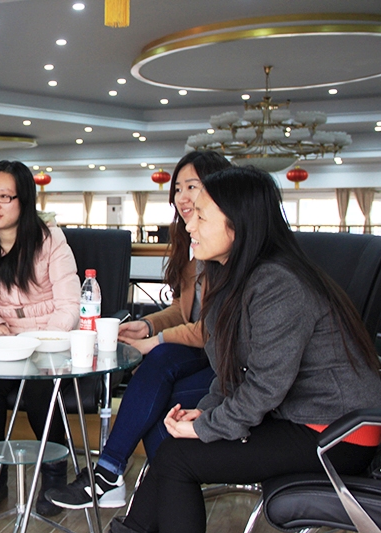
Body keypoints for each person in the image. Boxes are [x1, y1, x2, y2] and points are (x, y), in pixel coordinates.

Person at [110, 166, 381, 533]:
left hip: (337, 433)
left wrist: (207, 425)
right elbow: (230, 373)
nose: (189, 226)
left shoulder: (278, 284)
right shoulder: (229, 278)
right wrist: (205, 412)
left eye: (201, 216)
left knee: (177, 458)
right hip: (299, 418)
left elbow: (264, 386)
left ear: (237, 225)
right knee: (173, 450)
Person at [47, 151, 230, 509]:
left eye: (192, 186)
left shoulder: (225, 248)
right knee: (157, 378)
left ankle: (114, 477)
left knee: (158, 376)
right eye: (178, 188)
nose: (182, 197)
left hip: (227, 362)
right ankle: (146, 492)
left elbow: (216, 330)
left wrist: (155, 340)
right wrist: (147, 325)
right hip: (198, 354)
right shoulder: (191, 244)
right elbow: (182, 310)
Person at [0, 159, 81, 516]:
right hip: (0, 338)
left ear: (24, 200)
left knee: (42, 388)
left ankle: (54, 474)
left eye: (4, 197)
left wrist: (40, 344)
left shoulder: (50, 239)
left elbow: (69, 305)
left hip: (48, 340)